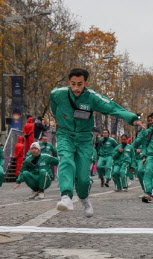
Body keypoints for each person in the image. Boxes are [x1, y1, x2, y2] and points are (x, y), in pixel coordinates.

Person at [50, 68, 145, 217]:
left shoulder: (92, 97)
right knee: (66, 161)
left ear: (85, 83)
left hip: (84, 138)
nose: (76, 88)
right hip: (65, 134)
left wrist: (132, 118)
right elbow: (54, 106)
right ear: (69, 83)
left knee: (82, 177)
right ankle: (66, 196)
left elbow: (111, 107)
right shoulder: (58, 94)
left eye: (79, 84)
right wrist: (61, 120)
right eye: (73, 84)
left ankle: (84, 198)